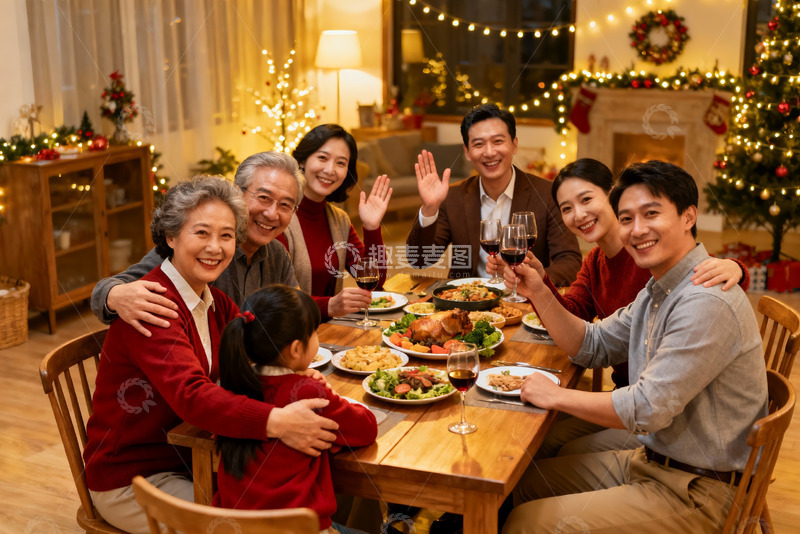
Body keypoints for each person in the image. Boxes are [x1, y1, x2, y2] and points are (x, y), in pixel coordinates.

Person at [502, 161, 767, 533]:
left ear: (688, 216)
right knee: (528, 483)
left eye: (651, 213)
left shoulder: (705, 300)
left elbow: (647, 408)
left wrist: (555, 396)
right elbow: (592, 344)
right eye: (627, 218)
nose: (637, 229)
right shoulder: (659, 288)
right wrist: (536, 290)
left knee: (527, 522)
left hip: (699, 490)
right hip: (654, 458)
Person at [83, 177, 338, 534]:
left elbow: (259, 348)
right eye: (201, 233)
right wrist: (278, 421)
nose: (215, 248)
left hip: (196, 456)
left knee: (308, 486)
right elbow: (192, 396)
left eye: (227, 235)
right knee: (261, 526)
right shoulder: (153, 307)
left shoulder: (213, 301)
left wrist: (294, 376)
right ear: (170, 237)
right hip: (134, 478)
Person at [214, 285, 377, 534]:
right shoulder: (308, 392)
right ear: (296, 349)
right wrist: (329, 394)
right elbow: (365, 428)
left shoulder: (233, 386)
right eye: (314, 331)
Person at [90, 151, 306, 337]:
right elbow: (105, 292)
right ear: (237, 192)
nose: (271, 213)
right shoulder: (195, 251)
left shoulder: (277, 254)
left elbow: (294, 312)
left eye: (286, 205)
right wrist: (113, 295)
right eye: (264, 197)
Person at [405, 103, 581, 285]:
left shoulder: (547, 194)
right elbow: (420, 260)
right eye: (479, 144)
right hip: (467, 303)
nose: (489, 152)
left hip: (525, 303)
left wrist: (528, 278)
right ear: (467, 152)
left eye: (498, 141)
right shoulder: (453, 197)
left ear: (514, 145)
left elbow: (570, 263)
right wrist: (429, 208)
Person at [277, 123, 392, 320]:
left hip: (331, 330)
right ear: (303, 161)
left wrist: (372, 227)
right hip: (291, 334)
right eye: (322, 158)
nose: (330, 170)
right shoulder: (278, 218)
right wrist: (329, 306)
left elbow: (376, 281)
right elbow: (277, 300)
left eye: (341, 163)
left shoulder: (339, 220)